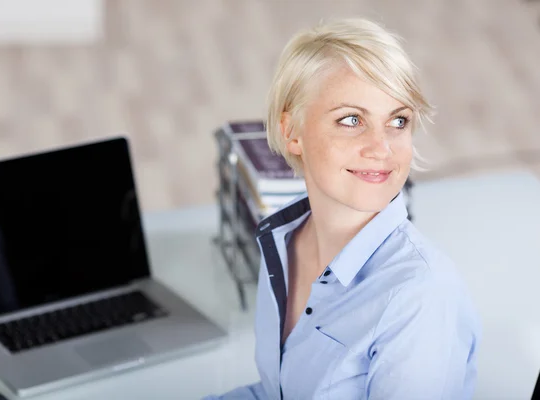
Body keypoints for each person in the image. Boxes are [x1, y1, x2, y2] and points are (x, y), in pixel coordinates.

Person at [205, 17, 480, 400]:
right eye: (352, 120)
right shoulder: (282, 243)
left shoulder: (419, 299)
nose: (381, 147)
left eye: (398, 121)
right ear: (292, 132)